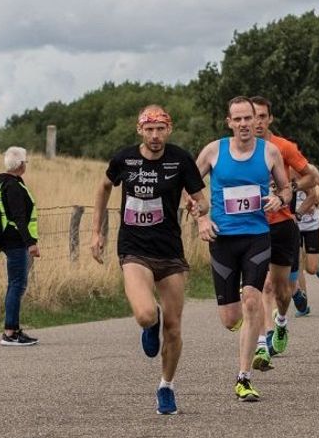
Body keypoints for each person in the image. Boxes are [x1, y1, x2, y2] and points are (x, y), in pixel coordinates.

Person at [90, 105, 208, 415]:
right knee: (145, 315)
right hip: (134, 249)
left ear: (169, 130)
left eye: (160, 129)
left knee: (174, 327)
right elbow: (103, 187)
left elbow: (202, 200)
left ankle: (166, 387)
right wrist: (96, 231)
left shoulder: (181, 159)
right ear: (140, 130)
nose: (155, 136)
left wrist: (199, 209)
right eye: (149, 130)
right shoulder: (124, 159)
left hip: (170, 252)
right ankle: (149, 323)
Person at [192, 96, 291, 401]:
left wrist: (280, 199)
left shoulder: (269, 152)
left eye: (249, 118)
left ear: (256, 120)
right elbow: (190, 187)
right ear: (229, 123)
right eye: (238, 120)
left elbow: (286, 188)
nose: (245, 124)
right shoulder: (213, 151)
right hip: (222, 240)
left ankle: (244, 377)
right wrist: (203, 217)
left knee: (252, 300)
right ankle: (248, 327)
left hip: (257, 236)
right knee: (230, 318)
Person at [250, 97, 319, 364]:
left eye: (261, 116)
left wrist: (289, 190)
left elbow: (310, 177)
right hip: (252, 226)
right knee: (260, 286)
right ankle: (263, 340)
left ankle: (281, 322)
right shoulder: (241, 149)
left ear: (269, 119)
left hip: (282, 224)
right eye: (251, 116)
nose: (256, 122)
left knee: (283, 291)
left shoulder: (284, 147)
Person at [0, 146, 41, 346]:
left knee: (16, 284)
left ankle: (14, 329)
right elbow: (19, 217)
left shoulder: (3, 184)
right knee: (17, 284)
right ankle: (10, 333)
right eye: (25, 162)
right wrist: (31, 243)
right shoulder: (13, 187)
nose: (25, 165)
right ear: (20, 164)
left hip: (9, 240)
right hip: (16, 241)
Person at [291, 164, 319, 317]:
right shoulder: (280, 169)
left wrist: (314, 203)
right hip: (294, 224)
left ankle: (317, 261)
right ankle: (303, 304)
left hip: (311, 224)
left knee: (311, 269)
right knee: (298, 262)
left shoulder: (311, 170)